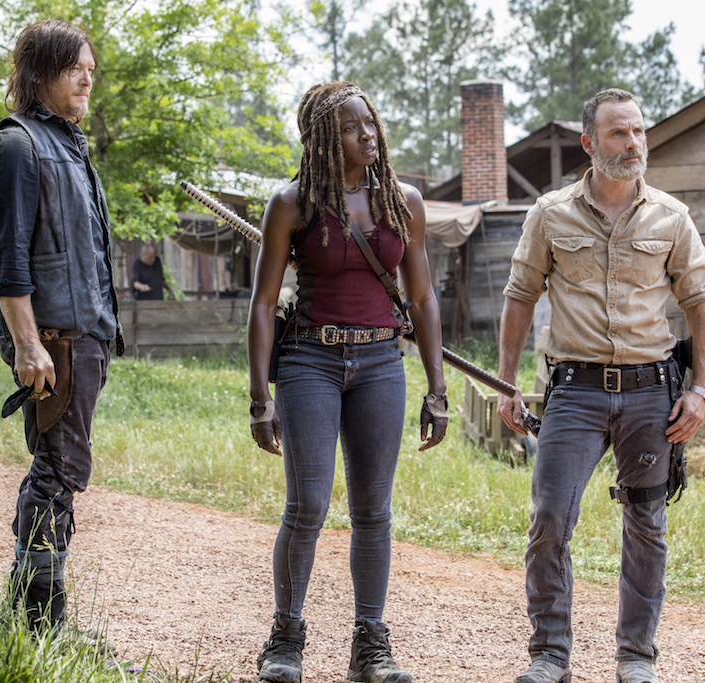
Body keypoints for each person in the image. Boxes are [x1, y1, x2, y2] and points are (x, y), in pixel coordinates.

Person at [496, 88, 705, 683]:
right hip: (575, 391)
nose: (633, 143)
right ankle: (549, 655)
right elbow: (520, 296)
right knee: (550, 516)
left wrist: (700, 390)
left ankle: (636, 657)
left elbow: (701, 301)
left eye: (639, 131)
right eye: (619, 133)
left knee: (647, 524)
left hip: (651, 392)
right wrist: (505, 383)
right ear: (589, 144)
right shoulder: (550, 214)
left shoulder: (672, 216)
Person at [246, 81, 448, 683]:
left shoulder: (403, 202)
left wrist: (437, 389)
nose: (368, 134)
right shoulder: (292, 204)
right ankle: (286, 638)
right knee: (307, 505)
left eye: (370, 123)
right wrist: (260, 398)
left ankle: (370, 645)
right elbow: (263, 304)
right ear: (322, 141)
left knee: (372, 511)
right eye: (351, 127)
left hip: (382, 363)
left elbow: (421, 298)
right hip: (309, 360)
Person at [0, 19, 123, 633]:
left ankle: (27, 611)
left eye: (91, 69)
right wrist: (28, 343)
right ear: (39, 73)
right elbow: (7, 258)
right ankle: (41, 623)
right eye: (74, 68)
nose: (87, 79)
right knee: (58, 470)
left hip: (85, 335)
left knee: (56, 467)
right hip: (53, 341)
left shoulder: (69, 144)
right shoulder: (16, 146)